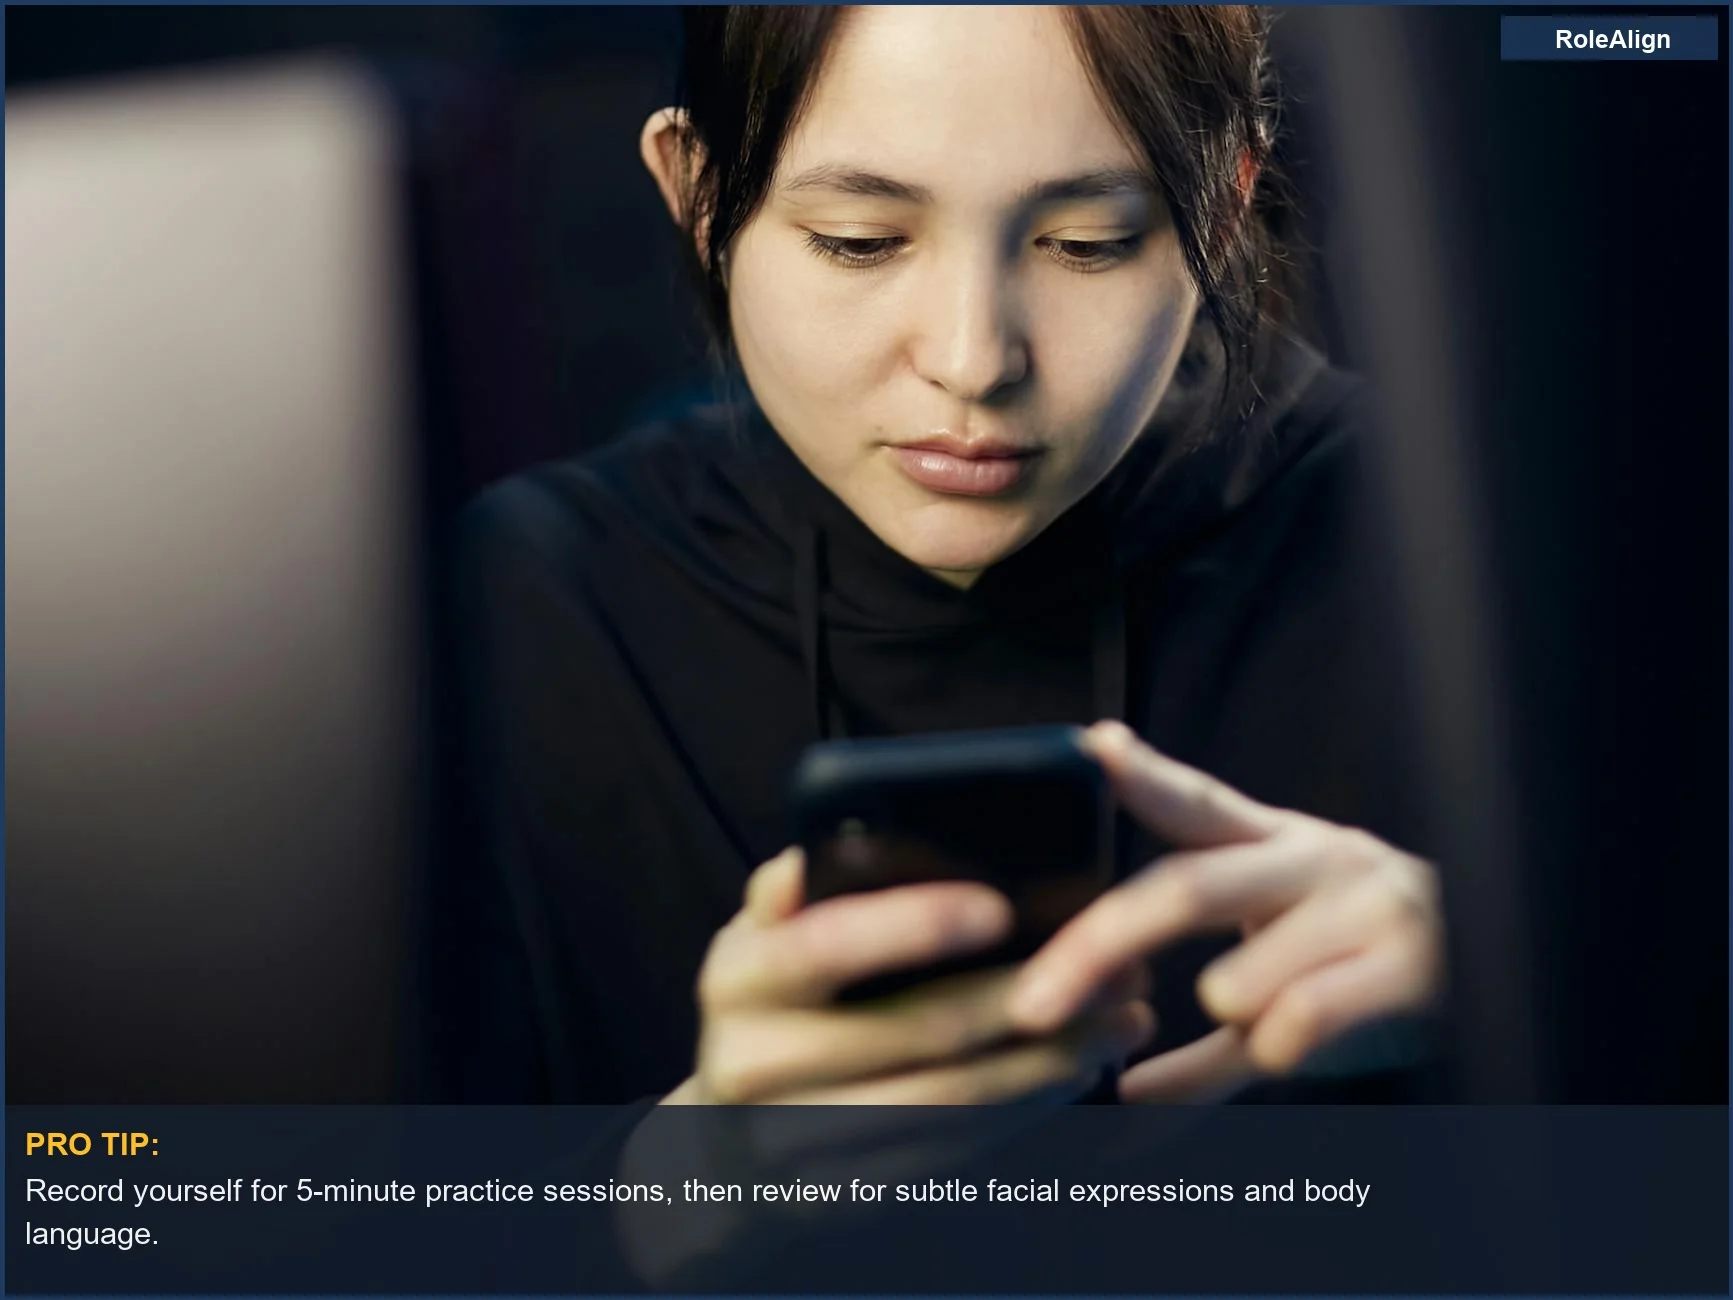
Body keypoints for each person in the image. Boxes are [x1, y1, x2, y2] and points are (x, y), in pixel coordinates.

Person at [441, 4, 1444, 1108]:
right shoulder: (521, 611)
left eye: (1086, 243)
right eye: (858, 241)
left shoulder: (1437, 568)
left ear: (1225, 200)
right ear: (697, 194)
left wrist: (1514, 983)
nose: (972, 362)